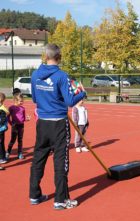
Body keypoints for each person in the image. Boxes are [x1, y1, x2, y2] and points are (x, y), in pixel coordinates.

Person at [29, 43, 86, 210]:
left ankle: (34, 195)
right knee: (61, 160)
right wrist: (82, 93)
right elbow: (69, 102)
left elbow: (34, 99)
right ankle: (61, 199)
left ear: (45, 56)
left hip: (42, 123)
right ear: (59, 58)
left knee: (38, 158)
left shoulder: (35, 74)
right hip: (59, 123)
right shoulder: (62, 76)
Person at [6, 93, 30, 160]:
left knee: (20, 140)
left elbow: (24, 118)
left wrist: (27, 119)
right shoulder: (11, 108)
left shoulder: (23, 108)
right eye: (21, 101)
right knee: (12, 140)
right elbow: (8, 117)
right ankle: (8, 152)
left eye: (22, 101)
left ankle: (19, 153)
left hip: (21, 126)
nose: (22, 102)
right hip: (15, 126)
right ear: (16, 100)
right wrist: (11, 123)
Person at [0, 92, 9, 167]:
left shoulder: (2, 109)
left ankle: (2, 158)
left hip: (1, 129)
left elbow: (2, 120)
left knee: (0, 144)